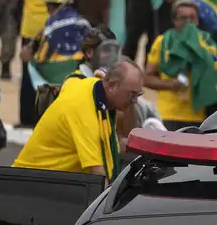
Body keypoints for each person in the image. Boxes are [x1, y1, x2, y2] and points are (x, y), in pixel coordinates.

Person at [15, 61, 144, 180]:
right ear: (111, 86)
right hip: (31, 182)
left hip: (54, 181)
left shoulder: (93, 87)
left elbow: (120, 140)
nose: (135, 101)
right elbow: (98, 176)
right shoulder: (85, 112)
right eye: (131, 94)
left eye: (138, 95)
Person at [9, 0, 83, 126]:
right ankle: (53, 116)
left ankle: (27, 118)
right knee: (58, 71)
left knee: (30, 72)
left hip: (32, 27)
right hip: (63, 27)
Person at [145, 0, 217, 130]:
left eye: (192, 18)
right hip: (168, 114)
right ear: (175, 21)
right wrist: (171, 85)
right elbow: (146, 78)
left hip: (198, 116)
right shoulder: (163, 42)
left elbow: (214, 72)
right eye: (183, 18)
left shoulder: (207, 43)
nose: (188, 22)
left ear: (197, 21)